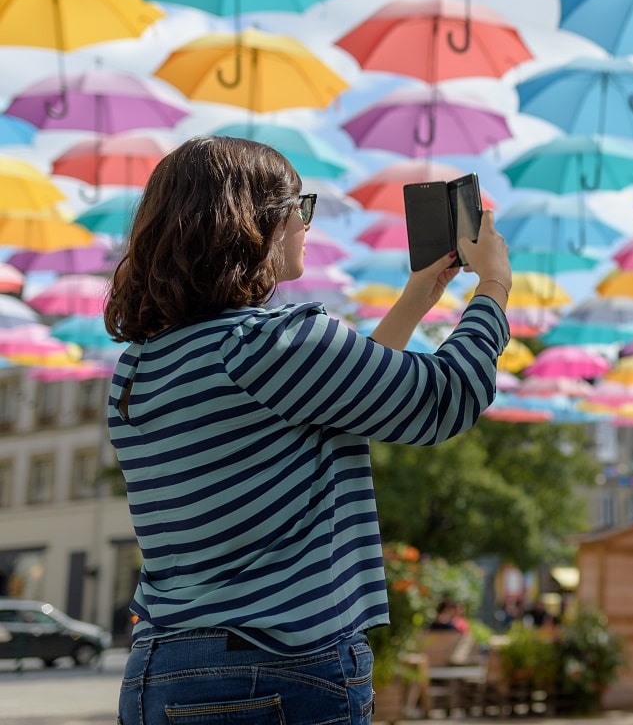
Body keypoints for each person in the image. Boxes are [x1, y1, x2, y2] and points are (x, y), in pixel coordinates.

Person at [106, 137, 510, 725]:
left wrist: (418, 298)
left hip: (160, 669)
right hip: (280, 668)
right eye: (300, 205)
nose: (305, 224)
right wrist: (493, 289)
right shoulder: (271, 343)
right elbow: (447, 398)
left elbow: (333, 401)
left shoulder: (139, 368)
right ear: (255, 222)